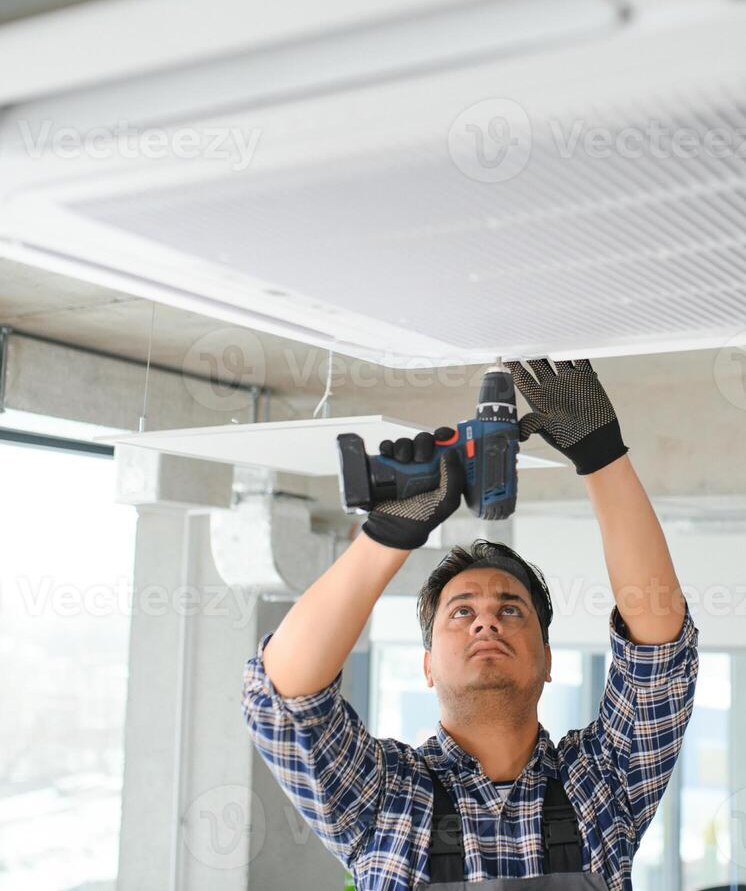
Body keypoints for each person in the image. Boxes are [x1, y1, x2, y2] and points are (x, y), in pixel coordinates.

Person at [242, 358, 699, 890]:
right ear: (429, 666)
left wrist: (601, 457)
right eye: (460, 611)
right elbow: (284, 699)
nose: (486, 620)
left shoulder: (601, 782)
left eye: (511, 609)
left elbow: (658, 651)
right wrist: (389, 535)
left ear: (548, 660)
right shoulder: (385, 799)